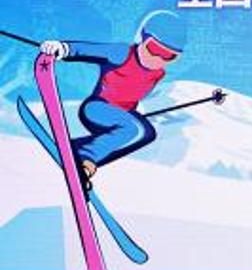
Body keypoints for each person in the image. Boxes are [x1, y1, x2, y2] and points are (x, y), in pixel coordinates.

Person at [38, 9, 186, 182]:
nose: (158, 58)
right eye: (154, 49)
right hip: (97, 108)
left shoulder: (158, 73)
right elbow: (91, 50)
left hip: (121, 114)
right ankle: (85, 156)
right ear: (141, 38)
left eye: (169, 56)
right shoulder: (122, 53)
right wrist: (64, 48)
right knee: (133, 129)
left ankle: (79, 153)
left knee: (147, 133)